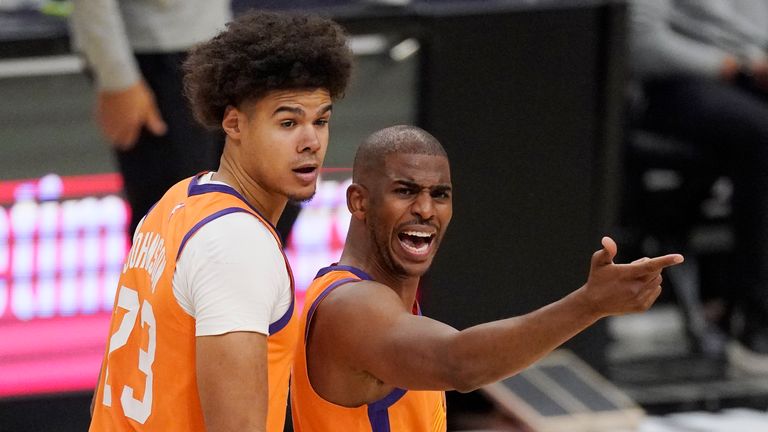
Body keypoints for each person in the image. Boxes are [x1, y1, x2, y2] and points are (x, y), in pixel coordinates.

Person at [290, 125, 684, 431]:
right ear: (359, 201)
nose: (425, 209)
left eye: (440, 194)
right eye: (405, 191)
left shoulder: (388, 305)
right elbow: (458, 364)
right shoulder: (351, 307)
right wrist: (588, 304)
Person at [89, 10, 353, 431]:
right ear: (234, 123)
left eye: (320, 120)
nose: (311, 142)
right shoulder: (238, 248)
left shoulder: (174, 202)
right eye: (287, 122)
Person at [628, 0, 768, 371]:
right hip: (676, 84)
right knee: (762, 134)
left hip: (752, 74)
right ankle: (755, 318)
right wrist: (734, 66)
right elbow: (640, 43)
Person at [69, 0, 230, 236]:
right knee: (170, 227)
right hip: (156, 55)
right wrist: (117, 77)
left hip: (216, 41)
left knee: (228, 214)